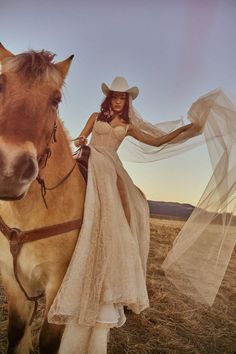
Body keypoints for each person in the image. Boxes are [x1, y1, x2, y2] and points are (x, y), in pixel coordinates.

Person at [47, 76, 198, 354]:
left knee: (128, 204)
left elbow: (156, 141)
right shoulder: (96, 116)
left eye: (122, 98)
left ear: (126, 102)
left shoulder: (127, 126)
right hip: (91, 158)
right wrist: (81, 138)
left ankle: (117, 236)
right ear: (109, 98)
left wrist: (183, 131)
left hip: (110, 167)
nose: (117, 100)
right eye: (114, 96)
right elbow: (82, 136)